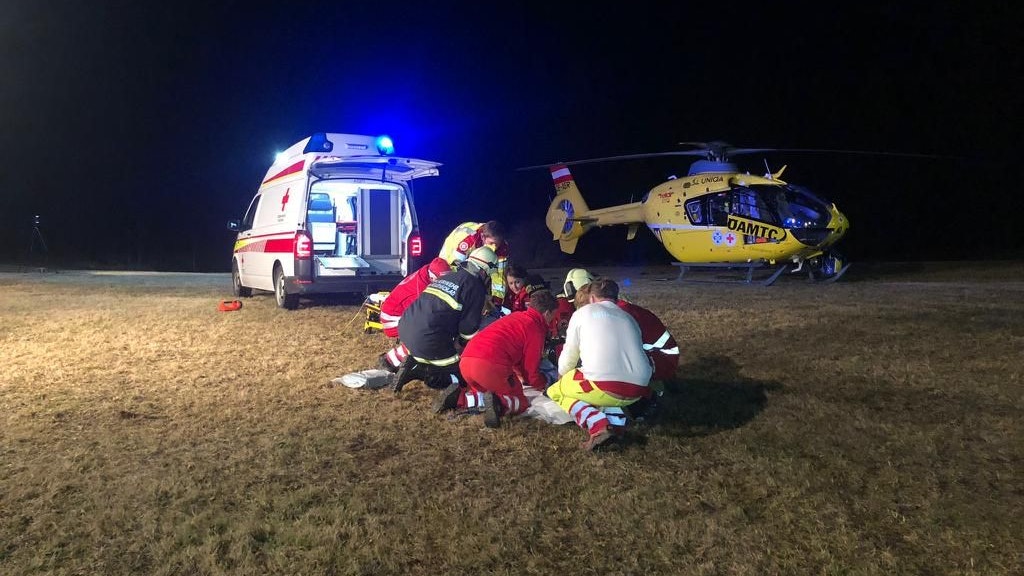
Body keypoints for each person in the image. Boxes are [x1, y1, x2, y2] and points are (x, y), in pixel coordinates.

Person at [549, 278, 653, 451]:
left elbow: (569, 354)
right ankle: (616, 426)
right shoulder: (628, 317)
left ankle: (598, 426)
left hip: (606, 386)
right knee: (600, 383)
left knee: (556, 391)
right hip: (639, 388)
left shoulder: (583, 313)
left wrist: (562, 379)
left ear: (591, 298)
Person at [434, 290, 559, 428]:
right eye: (552, 316)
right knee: (520, 401)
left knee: (485, 393)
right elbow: (530, 372)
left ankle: (460, 398)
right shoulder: (535, 329)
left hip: (467, 360)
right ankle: (500, 404)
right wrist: (545, 384)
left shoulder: (516, 317)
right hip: (489, 365)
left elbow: (515, 354)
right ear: (547, 313)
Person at [383, 246, 497, 379]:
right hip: (428, 339)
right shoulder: (475, 287)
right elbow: (468, 329)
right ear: (484, 271)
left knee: (435, 350)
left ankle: (414, 363)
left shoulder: (448, 276)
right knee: (459, 374)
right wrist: (471, 343)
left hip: (405, 328)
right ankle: (419, 373)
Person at [378, 257, 453, 371]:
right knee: (423, 333)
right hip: (391, 319)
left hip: (395, 312)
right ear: (433, 277)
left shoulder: (426, 274)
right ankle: (390, 362)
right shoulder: (421, 290)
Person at [438, 221, 509, 305]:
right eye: (491, 243)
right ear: (483, 237)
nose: (494, 248)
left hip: (475, 253)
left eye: (496, 244)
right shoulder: (469, 239)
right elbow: (454, 264)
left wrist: (497, 302)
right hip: (453, 248)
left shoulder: (503, 249)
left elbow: (499, 276)